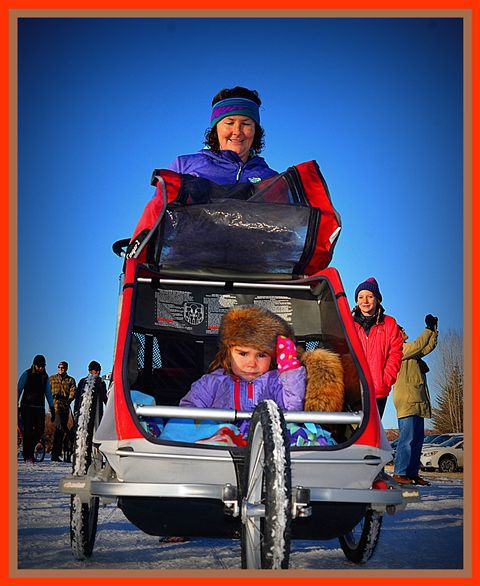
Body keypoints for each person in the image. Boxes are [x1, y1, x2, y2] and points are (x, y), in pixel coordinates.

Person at [179, 305, 306, 425]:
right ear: (228, 352)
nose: (251, 364)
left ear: (273, 357)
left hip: (264, 442)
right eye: (243, 354)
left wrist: (289, 369)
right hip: (220, 440)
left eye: (261, 355)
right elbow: (188, 412)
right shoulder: (212, 383)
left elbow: (293, 409)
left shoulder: (276, 382)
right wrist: (210, 428)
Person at [169, 86, 278, 184]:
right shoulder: (183, 166)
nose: (237, 131)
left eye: (246, 124)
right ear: (215, 128)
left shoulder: (272, 179)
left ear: (255, 130)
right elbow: (159, 205)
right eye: (230, 123)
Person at [392, 315, 438, 486]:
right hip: (407, 400)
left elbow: (427, 347)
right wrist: (427, 330)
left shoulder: (411, 353)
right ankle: (400, 472)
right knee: (407, 439)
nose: (404, 331)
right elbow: (419, 345)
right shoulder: (399, 350)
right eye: (401, 330)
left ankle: (412, 473)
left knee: (417, 439)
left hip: (416, 399)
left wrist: (433, 330)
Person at [352, 277, 403, 418]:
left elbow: (396, 354)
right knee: (352, 433)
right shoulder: (349, 323)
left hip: (378, 390)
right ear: (356, 300)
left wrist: (386, 380)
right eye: (361, 297)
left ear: (377, 299)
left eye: (369, 296)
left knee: (373, 432)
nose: (365, 301)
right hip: (354, 389)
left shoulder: (389, 323)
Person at [17, 354, 54, 464]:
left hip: (39, 407)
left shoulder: (45, 377)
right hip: (27, 406)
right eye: (39, 366)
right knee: (27, 431)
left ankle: (29, 449)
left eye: (43, 366)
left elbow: (48, 392)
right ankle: (28, 455)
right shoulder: (27, 374)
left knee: (39, 430)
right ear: (34, 365)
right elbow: (18, 389)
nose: (41, 368)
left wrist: (52, 407)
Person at [49, 361, 76, 462]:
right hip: (55, 408)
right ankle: (56, 453)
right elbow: (47, 391)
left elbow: (73, 392)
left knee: (61, 430)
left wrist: (68, 400)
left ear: (66, 369)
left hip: (64, 409)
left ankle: (62, 449)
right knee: (60, 428)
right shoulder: (52, 379)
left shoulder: (70, 380)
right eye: (59, 367)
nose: (61, 369)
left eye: (63, 368)